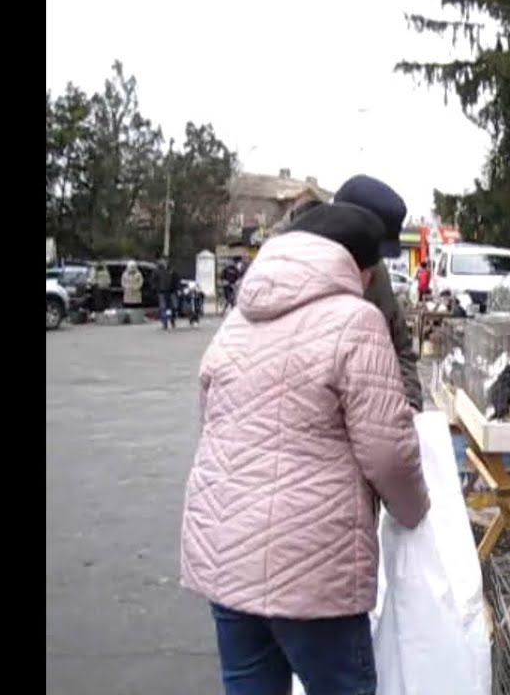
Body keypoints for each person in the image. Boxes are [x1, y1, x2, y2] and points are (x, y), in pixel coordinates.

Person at [180, 201, 430, 695]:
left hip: (226, 556)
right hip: (315, 571)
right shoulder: (355, 321)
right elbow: (388, 452)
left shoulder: (238, 318)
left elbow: (209, 421)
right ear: (360, 268)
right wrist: (415, 511)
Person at [330, 174, 423, 412]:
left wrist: (410, 402)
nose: (371, 267)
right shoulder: (292, 270)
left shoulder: (378, 277)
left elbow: (401, 348)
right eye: (367, 254)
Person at [152, 258, 180, 330]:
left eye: (166, 261)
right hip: (162, 291)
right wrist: (156, 288)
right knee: (163, 308)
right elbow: (154, 280)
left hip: (172, 291)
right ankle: (164, 323)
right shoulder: (157, 270)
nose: (164, 262)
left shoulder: (172, 270)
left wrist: (176, 288)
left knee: (173, 307)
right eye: (163, 261)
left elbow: (177, 279)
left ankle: (172, 320)